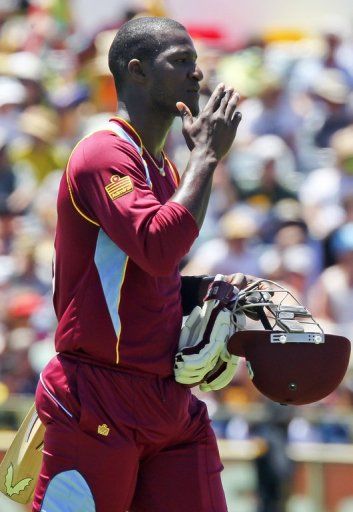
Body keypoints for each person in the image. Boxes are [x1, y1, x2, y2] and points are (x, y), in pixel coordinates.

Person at [33, 16, 248, 512]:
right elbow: (158, 247)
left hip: (167, 398)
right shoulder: (103, 153)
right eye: (181, 61)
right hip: (98, 395)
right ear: (137, 72)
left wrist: (214, 294)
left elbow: (150, 276)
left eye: (196, 61)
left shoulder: (164, 164)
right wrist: (208, 159)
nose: (197, 74)